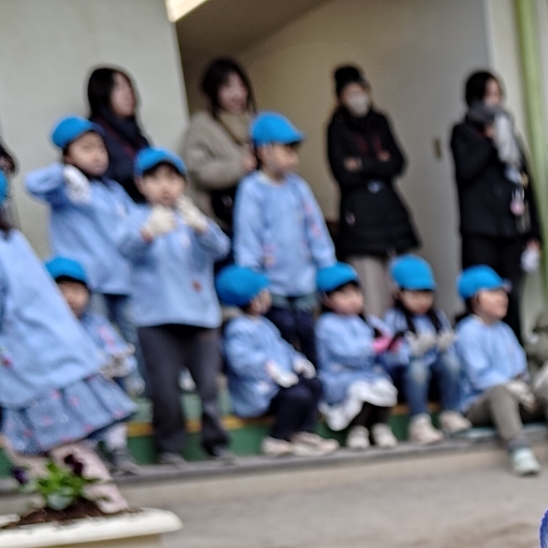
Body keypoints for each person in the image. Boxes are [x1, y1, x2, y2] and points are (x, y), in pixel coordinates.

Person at [0, 173, 133, 507]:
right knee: (30, 448)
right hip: (43, 364)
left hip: (35, 366)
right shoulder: (12, 240)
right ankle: (76, 507)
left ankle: (109, 507)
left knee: (64, 448)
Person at [116, 148, 231, 465]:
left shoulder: (192, 216)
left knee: (208, 386)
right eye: (155, 179)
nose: (165, 186)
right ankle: (169, 447)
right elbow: (123, 248)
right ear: (141, 184)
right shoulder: (136, 217)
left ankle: (216, 442)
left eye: (172, 178)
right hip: (155, 318)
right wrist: (147, 233)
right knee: (164, 388)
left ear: (183, 183)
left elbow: (221, 248)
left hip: (201, 316)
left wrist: (201, 227)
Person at [453, 264, 548, 476]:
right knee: (499, 392)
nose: (502, 298)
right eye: (493, 292)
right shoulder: (468, 331)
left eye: (502, 292)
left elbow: (520, 368)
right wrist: (510, 386)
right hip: (480, 403)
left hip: (518, 396)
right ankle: (518, 450)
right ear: (474, 299)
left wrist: (529, 386)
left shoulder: (504, 329)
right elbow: (479, 376)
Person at [24, 117, 138, 381]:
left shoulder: (114, 191)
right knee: (93, 339)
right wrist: (62, 173)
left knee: (130, 340)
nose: (97, 155)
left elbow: (133, 227)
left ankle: (136, 386)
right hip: (85, 284)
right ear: (68, 156)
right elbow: (32, 184)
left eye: (100, 148)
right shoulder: (63, 188)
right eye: (86, 148)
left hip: (122, 279)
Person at [234, 111, 336, 365]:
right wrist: (254, 283)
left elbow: (316, 231)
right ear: (264, 151)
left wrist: (327, 269)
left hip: (304, 282)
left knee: (310, 340)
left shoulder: (298, 187)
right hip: (272, 289)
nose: (293, 156)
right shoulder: (252, 190)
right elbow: (248, 239)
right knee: (283, 343)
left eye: (294, 150)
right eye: (286, 149)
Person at [451, 71, 540, 341]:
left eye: (498, 94)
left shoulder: (510, 135)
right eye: (490, 95)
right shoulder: (463, 133)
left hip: (510, 230)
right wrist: (490, 142)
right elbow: (465, 171)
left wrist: (533, 233)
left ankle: (514, 350)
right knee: (482, 296)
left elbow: (526, 183)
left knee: (509, 297)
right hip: (480, 231)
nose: (496, 101)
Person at [216, 264, 336, 458]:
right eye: (264, 293)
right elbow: (241, 361)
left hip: (279, 383)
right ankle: (276, 438)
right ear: (253, 300)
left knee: (314, 384)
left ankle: (304, 433)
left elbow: (283, 348)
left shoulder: (265, 324)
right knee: (298, 395)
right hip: (257, 391)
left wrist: (298, 361)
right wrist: (272, 371)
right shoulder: (238, 328)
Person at [327, 65, 419, 318]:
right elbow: (342, 174)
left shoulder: (380, 121)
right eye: (351, 93)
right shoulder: (336, 128)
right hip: (360, 223)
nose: (358, 97)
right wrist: (378, 162)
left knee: (403, 290)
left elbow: (398, 162)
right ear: (340, 97)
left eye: (360, 90)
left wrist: (361, 163)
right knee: (373, 297)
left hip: (391, 217)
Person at [45, 255, 137, 473]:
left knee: (114, 384)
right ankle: (86, 451)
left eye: (76, 290)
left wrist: (115, 363)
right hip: (61, 399)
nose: (70, 298)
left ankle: (117, 447)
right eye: (61, 291)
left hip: (98, 388)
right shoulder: (44, 330)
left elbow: (121, 355)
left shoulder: (96, 323)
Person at [381, 253, 468, 443]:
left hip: (435, 377)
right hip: (407, 379)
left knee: (450, 362)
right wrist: (410, 352)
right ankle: (418, 422)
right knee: (418, 368)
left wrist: (445, 345)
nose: (422, 300)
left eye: (426, 294)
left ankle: (451, 412)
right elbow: (388, 357)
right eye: (414, 295)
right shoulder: (392, 318)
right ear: (398, 292)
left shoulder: (437, 317)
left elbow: (449, 347)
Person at [313, 262, 398, 450]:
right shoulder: (326, 325)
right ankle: (357, 429)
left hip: (370, 374)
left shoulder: (369, 321)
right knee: (361, 390)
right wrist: (372, 347)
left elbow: (387, 343)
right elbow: (345, 353)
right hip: (340, 377)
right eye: (344, 294)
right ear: (326, 299)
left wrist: (394, 346)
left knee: (384, 386)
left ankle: (379, 426)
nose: (353, 299)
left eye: (356, 293)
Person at [182, 57, 256, 233]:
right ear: (213, 90)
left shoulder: (254, 122)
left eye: (241, 86)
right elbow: (198, 170)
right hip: (222, 220)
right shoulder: (201, 125)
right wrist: (240, 166)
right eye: (228, 87)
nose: (237, 94)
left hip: (257, 211)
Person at [86, 67, 151, 202]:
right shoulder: (92, 135)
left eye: (129, 87)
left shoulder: (137, 136)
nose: (128, 93)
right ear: (102, 92)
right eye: (119, 87)